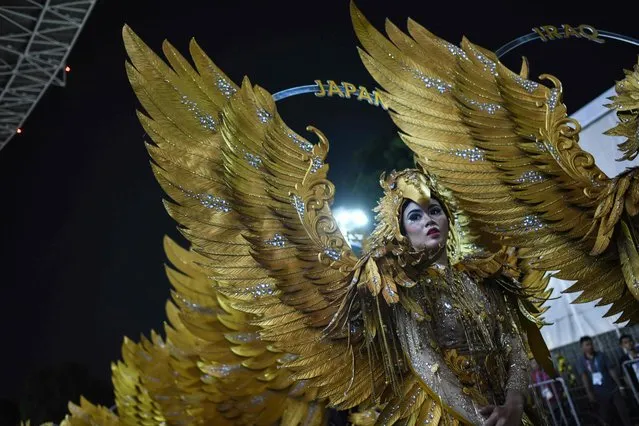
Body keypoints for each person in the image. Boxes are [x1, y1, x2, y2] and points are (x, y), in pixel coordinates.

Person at [578, 336, 632, 426]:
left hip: (613, 389)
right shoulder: (581, 361)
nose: (590, 346)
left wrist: (620, 386)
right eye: (587, 345)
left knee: (623, 412)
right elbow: (584, 378)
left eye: (591, 344)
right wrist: (589, 393)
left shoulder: (601, 355)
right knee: (607, 416)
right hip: (599, 393)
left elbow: (611, 370)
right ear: (582, 347)